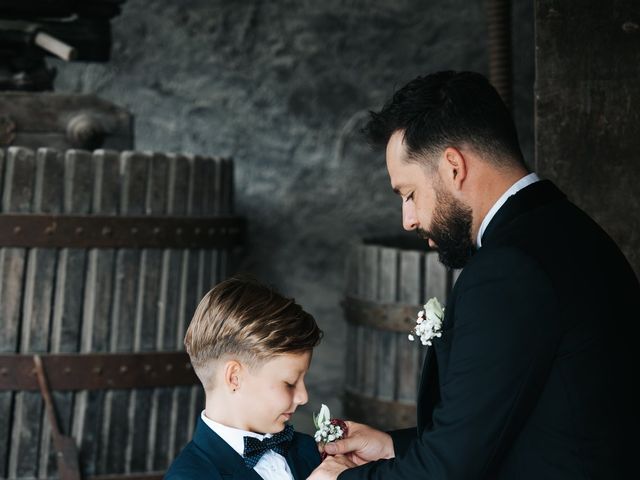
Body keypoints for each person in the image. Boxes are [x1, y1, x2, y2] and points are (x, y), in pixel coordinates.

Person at [309, 71, 640, 479]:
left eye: (409, 194)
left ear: (453, 167)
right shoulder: (571, 232)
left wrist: (338, 479)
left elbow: (450, 470)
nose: (408, 220)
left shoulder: (508, 270)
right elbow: (514, 425)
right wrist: (393, 446)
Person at [165, 275, 323, 480]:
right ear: (234, 378)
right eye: (290, 383)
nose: (303, 397)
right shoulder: (189, 476)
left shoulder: (309, 449)